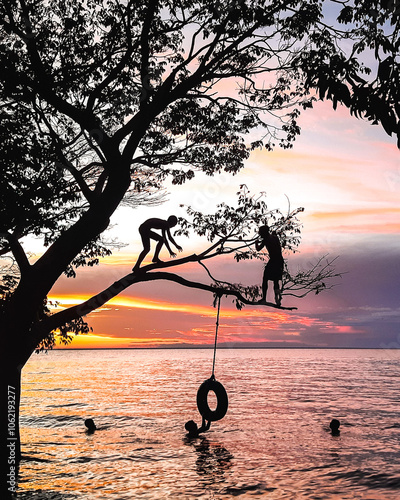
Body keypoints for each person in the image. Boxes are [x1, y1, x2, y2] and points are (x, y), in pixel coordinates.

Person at [255, 225, 284, 306]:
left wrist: (256, 243)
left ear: (263, 233)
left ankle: (264, 298)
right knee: (276, 280)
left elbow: (258, 249)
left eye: (260, 233)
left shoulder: (265, 240)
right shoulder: (275, 237)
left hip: (273, 260)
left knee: (265, 279)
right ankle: (277, 299)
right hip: (280, 260)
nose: (260, 234)